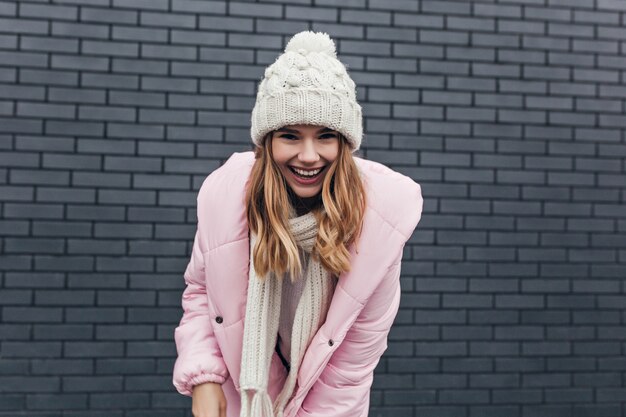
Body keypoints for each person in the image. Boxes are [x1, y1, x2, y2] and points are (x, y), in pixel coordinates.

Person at [172, 31, 424, 417]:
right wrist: (205, 377)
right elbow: (202, 293)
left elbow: (351, 366)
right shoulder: (224, 199)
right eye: (290, 135)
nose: (309, 156)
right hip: (245, 397)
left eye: (325, 136)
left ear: (344, 144)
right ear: (267, 143)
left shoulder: (380, 224)